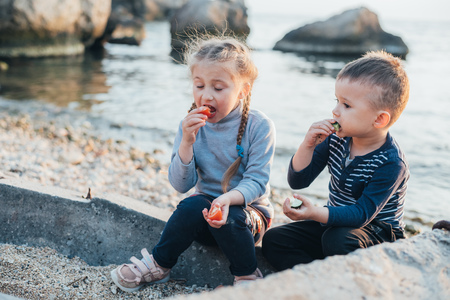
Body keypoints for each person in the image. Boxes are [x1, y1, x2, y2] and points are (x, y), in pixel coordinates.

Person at [111, 36, 276, 291]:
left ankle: (247, 278)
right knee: (190, 204)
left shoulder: (259, 126)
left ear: (243, 90)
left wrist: (227, 200)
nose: (206, 95)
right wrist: (186, 143)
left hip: (246, 219)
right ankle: (159, 265)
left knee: (230, 215)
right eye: (199, 85)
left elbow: (257, 181)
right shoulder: (189, 124)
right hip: (204, 216)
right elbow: (180, 184)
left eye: (218, 88)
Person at [262, 50, 410, 271]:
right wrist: (308, 145)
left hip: (375, 232)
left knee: (337, 240)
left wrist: (314, 212)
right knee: (274, 239)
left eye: (346, 106)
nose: (335, 111)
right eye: (337, 101)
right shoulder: (336, 140)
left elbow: (361, 215)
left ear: (379, 119)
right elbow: (299, 180)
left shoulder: (391, 163)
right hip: (335, 223)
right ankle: (315, 282)